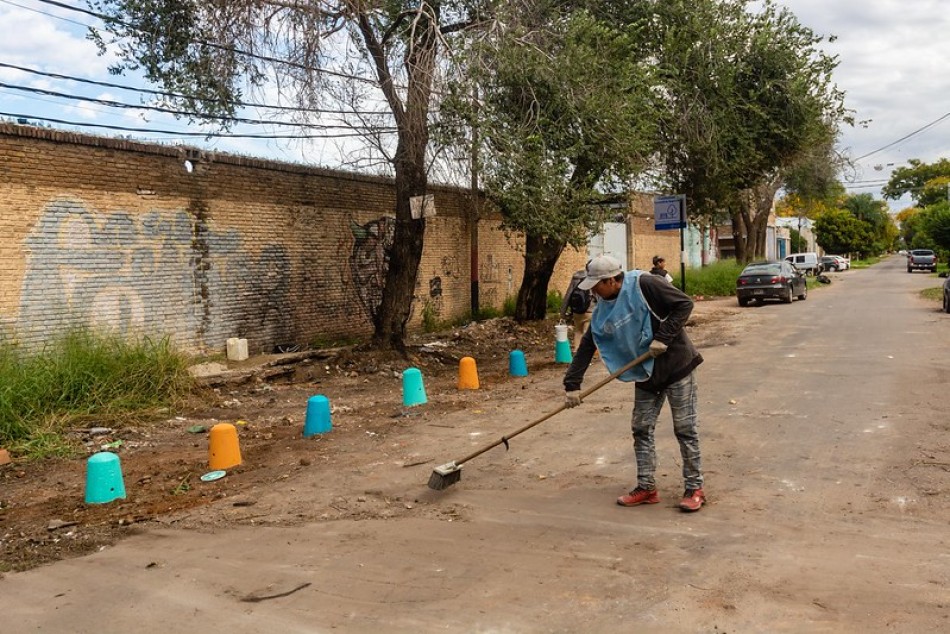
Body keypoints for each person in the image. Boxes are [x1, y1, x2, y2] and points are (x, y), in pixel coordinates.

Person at [562, 254, 706, 512]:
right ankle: (647, 487)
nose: (593, 290)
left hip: (676, 366)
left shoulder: (646, 284)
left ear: (614, 280)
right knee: (641, 428)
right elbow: (588, 344)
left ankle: (694, 488)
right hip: (645, 373)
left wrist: (663, 337)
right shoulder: (602, 307)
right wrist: (572, 385)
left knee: (685, 428)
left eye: (597, 284)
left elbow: (684, 304)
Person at [559, 269, 594, 351]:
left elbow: (568, 296)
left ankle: (576, 351)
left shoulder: (576, 278)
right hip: (590, 311)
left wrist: (562, 313)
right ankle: (585, 353)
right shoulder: (593, 278)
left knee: (578, 331)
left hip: (577, 311)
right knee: (586, 333)